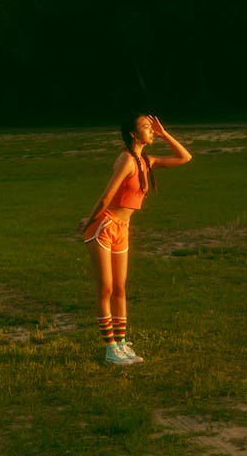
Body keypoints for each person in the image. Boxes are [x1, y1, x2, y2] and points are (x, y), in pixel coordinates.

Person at [78, 113, 192, 366]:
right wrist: (90, 220)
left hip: (123, 229)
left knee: (120, 289)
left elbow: (185, 157)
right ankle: (110, 348)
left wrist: (164, 134)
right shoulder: (126, 160)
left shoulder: (145, 161)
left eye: (152, 128)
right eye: (146, 127)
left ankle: (120, 343)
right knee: (106, 289)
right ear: (132, 133)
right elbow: (107, 196)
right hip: (104, 227)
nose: (151, 131)